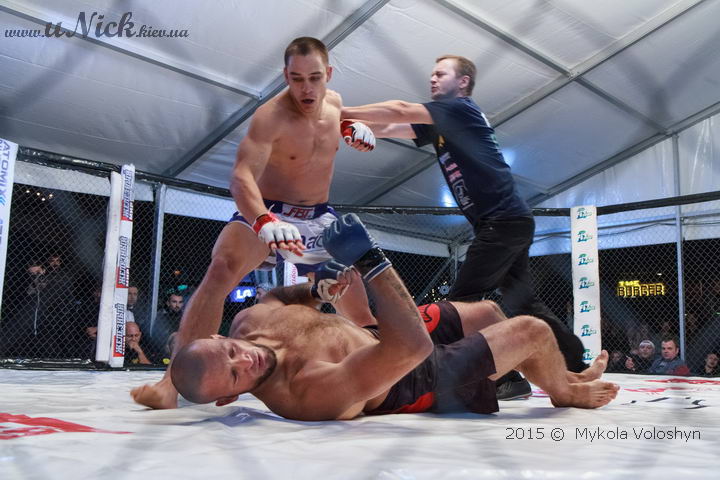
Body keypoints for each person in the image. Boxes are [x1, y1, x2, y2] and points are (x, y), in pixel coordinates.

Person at [169, 214, 618, 420]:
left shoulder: (250, 323)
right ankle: (565, 393)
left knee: (487, 311)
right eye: (235, 375)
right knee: (531, 331)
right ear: (231, 398)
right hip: (410, 377)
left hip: (367, 335)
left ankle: (565, 376)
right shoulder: (305, 393)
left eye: (230, 352)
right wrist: (371, 260)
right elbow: (411, 348)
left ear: (224, 336)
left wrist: (316, 290)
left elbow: (278, 295)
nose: (244, 359)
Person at [131, 37, 376, 409]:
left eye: (314, 78)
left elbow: (388, 113)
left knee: (349, 287)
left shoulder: (336, 105)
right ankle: (170, 384)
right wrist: (263, 220)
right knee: (221, 267)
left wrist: (359, 127)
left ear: (328, 74)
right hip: (270, 208)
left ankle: (384, 373)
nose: (306, 89)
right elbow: (241, 175)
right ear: (286, 76)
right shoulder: (270, 115)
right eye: (296, 79)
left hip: (317, 215)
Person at [340, 54, 587, 397]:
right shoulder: (443, 121)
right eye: (432, 73)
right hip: (508, 221)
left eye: (441, 74)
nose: (432, 79)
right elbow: (393, 128)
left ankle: (503, 377)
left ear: (463, 82)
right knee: (524, 303)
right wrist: (354, 127)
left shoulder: (459, 109)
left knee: (461, 305)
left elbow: (400, 110)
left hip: (502, 222)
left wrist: (339, 112)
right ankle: (576, 364)